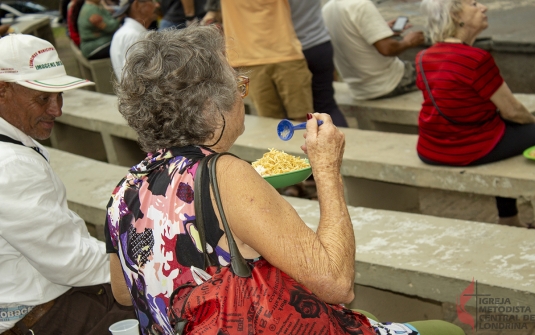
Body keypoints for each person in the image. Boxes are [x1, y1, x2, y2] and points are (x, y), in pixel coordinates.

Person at [105, 25, 464, 335]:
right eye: (238, 86)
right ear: (209, 106)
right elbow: (337, 283)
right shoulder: (223, 173)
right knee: (446, 329)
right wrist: (326, 169)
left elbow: (124, 291)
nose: (240, 98)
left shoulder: (125, 189)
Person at [0, 34, 136, 334]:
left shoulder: (14, 145)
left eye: (59, 95)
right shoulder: (10, 164)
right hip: (41, 313)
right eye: (43, 98)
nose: (57, 110)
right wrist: (147, 267)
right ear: (2, 91)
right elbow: (69, 261)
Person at [417, 0, 535, 229]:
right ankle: (509, 215)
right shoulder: (475, 58)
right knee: (517, 131)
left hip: (432, 147)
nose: (483, 7)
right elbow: (513, 111)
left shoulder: (423, 56)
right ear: (455, 16)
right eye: (473, 3)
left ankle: (508, 218)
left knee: (502, 130)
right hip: (469, 147)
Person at [202, 0, 313, 121]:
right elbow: (211, 14)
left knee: (302, 119)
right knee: (270, 123)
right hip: (249, 60)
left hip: (285, 55)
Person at [322, 0, 425, 100]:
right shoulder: (361, 5)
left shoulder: (327, 9)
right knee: (435, 68)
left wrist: (379, 29)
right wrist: (408, 42)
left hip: (358, 89)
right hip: (387, 83)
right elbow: (387, 49)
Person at [288, 0, 348, 128]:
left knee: (293, 114)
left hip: (289, 53)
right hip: (319, 44)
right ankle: (343, 145)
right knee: (327, 106)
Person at [110, 0, 159, 80]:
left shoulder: (126, 32)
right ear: (136, 5)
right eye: (152, 1)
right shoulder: (135, 36)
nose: (156, 5)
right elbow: (134, 79)